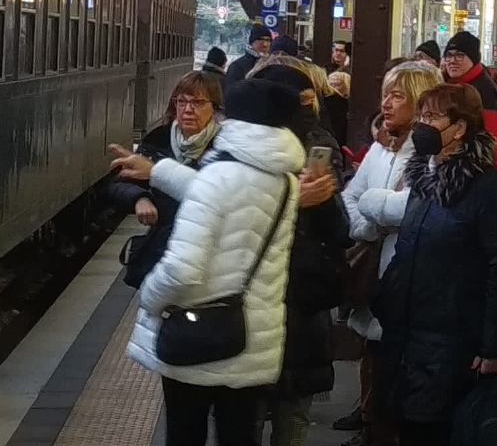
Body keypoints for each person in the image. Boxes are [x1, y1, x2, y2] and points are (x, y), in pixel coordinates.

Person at [112, 78, 305, 446]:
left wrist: (150, 298)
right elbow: (226, 194)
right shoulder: (284, 181)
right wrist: (157, 171)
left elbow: (181, 269)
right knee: (238, 435)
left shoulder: (218, 177)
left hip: (197, 335)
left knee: (185, 434)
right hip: (252, 336)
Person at [371, 84, 497, 446]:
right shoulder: (424, 180)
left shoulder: (490, 188)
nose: (423, 125)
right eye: (421, 116)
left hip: (455, 343)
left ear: (460, 128)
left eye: (433, 117)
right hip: (409, 339)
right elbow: (408, 249)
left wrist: (494, 345)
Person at [337, 61, 442, 445]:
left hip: (409, 280)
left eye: (397, 96)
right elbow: (350, 198)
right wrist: (370, 225)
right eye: (386, 94)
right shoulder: (382, 147)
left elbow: (412, 207)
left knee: (398, 373)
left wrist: (371, 206)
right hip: (374, 276)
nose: (386, 104)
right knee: (374, 357)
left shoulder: (431, 153)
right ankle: (371, 425)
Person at [248, 58, 351, 446]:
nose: (309, 110)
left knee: (292, 414)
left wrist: (323, 202)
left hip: (303, 302)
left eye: (312, 101)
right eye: (302, 101)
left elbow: (340, 231)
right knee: (248, 418)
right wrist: (293, 201)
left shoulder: (320, 146)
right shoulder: (237, 152)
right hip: (254, 305)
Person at [107, 72, 224, 286]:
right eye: (181, 102)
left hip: (207, 257)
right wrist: (140, 198)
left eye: (198, 103)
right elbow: (119, 184)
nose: (187, 110)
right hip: (162, 251)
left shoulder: (223, 148)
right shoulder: (158, 140)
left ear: (214, 108)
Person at [441, 31, 497, 140]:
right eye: (448, 55)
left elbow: (490, 137)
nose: (452, 61)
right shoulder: (447, 84)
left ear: (473, 59)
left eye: (459, 55)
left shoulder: (486, 90)